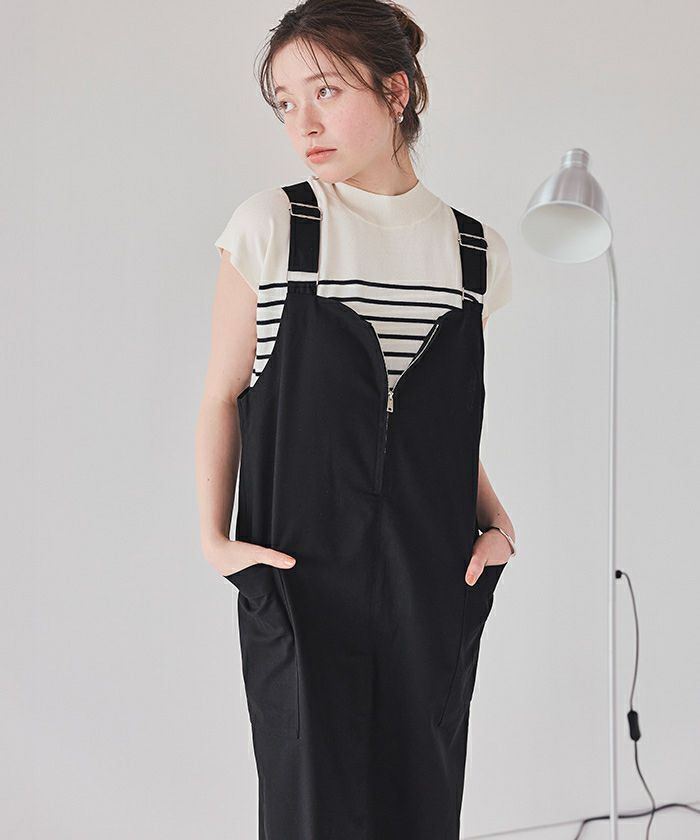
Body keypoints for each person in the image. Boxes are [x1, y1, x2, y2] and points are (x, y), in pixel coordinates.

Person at [195, 1, 517, 837]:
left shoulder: (476, 255)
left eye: (326, 91)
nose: (302, 123)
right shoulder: (275, 229)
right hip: (301, 584)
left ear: (396, 90)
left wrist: (498, 523)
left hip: (432, 586)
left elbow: (436, 424)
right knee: (311, 817)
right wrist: (216, 541)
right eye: (285, 101)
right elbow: (224, 394)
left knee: (422, 812)